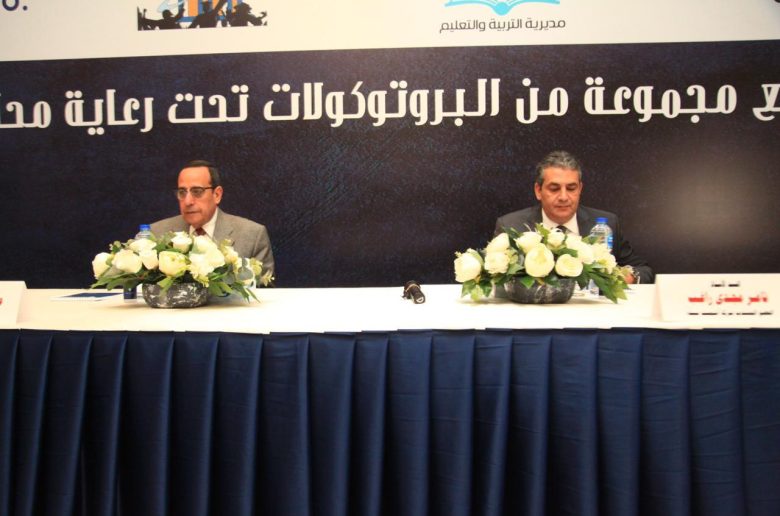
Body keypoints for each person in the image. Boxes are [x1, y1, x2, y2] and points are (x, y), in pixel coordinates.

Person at [495, 150, 653, 284]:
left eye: (571, 188)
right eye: (554, 189)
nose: (564, 197)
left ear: (580, 189)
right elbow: (496, 279)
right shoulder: (511, 226)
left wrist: (627, 277)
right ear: (538, 190)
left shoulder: (605, 224)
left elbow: (644, 270)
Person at [151, 160, 275, 280]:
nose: (187, 201)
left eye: (197, 191)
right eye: (182, 192)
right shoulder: (156, 233)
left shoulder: (252, 236)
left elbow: (264, 290)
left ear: (217, 195)